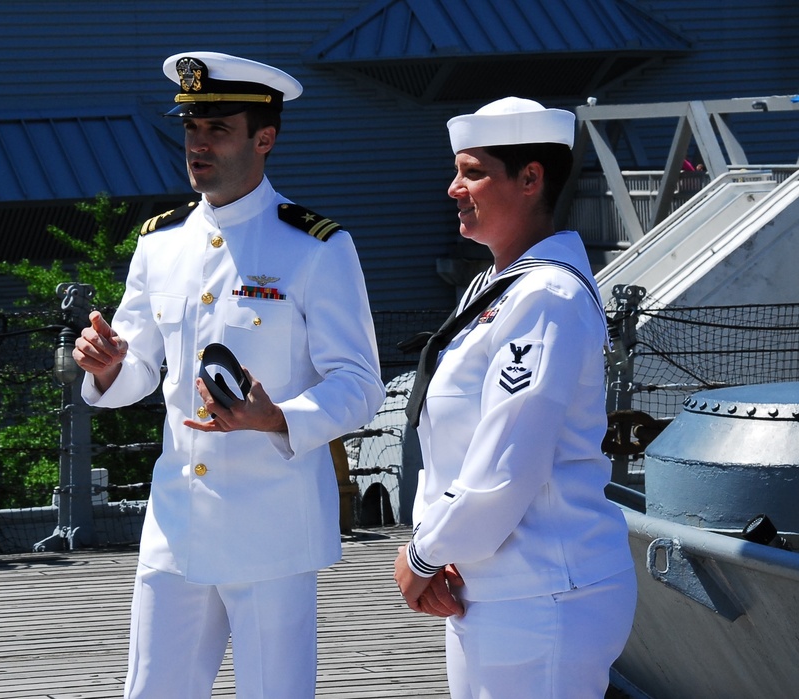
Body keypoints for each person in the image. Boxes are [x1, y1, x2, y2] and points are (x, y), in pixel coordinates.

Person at [73, 51, 384, 699]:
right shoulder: (161, 244)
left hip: (272, 533)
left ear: (264, 137)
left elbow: (359, 385)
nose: (197, 145)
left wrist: (277, 417)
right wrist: (107, 370)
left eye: (217, 129)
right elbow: (138, 371)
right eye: (190, 128)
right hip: (176, 528)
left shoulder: (315, 247)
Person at [393, 97, 637, 698]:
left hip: (543, 591)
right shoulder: (497, 286)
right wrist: (442, 549)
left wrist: (422, 555)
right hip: (499, 585)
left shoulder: (544, 296)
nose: (453, 188)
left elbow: (505, 464)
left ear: (531, 179)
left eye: (473, 172)